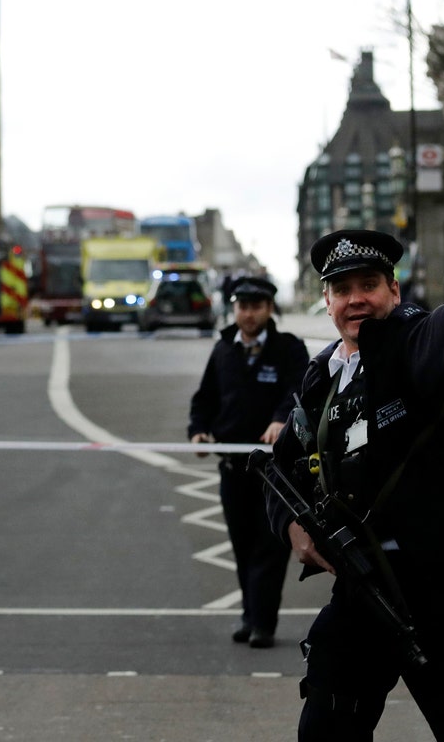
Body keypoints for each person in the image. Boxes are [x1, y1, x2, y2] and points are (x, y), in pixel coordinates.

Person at [266, 229, 444, 741]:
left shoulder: (408, 341)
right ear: (327, 302)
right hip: (365, 579)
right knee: (328, 713)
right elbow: (282, 467)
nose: (357, 298)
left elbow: (441, 328)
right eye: (343, 288)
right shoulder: (321, 378)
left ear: (393, 293)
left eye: (370, 284)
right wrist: (292, 526)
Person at [187, 274, 309, 649]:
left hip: (275, 472)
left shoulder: (288, 348)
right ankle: (249, 614)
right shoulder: (224, 349)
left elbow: (301, 389)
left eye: (257, 307)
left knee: (269, 546)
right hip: (232, 467)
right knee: (241, 545)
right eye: (243, 307)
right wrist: (199, 431)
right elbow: (205, 398)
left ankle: (263, 623)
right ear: (234, 309)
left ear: (270, 309)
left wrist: (280, 419)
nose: (249, 314)